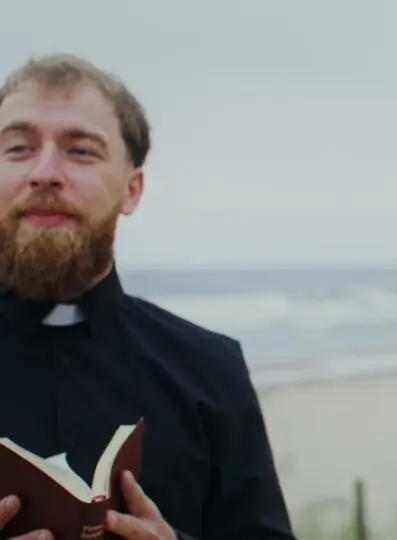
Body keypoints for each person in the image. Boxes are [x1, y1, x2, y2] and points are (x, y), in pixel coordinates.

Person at [0, 54, 294, 540]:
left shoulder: (210, 368)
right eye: (17, 148)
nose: (46, 172)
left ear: (131, 189)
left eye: (81, 152)